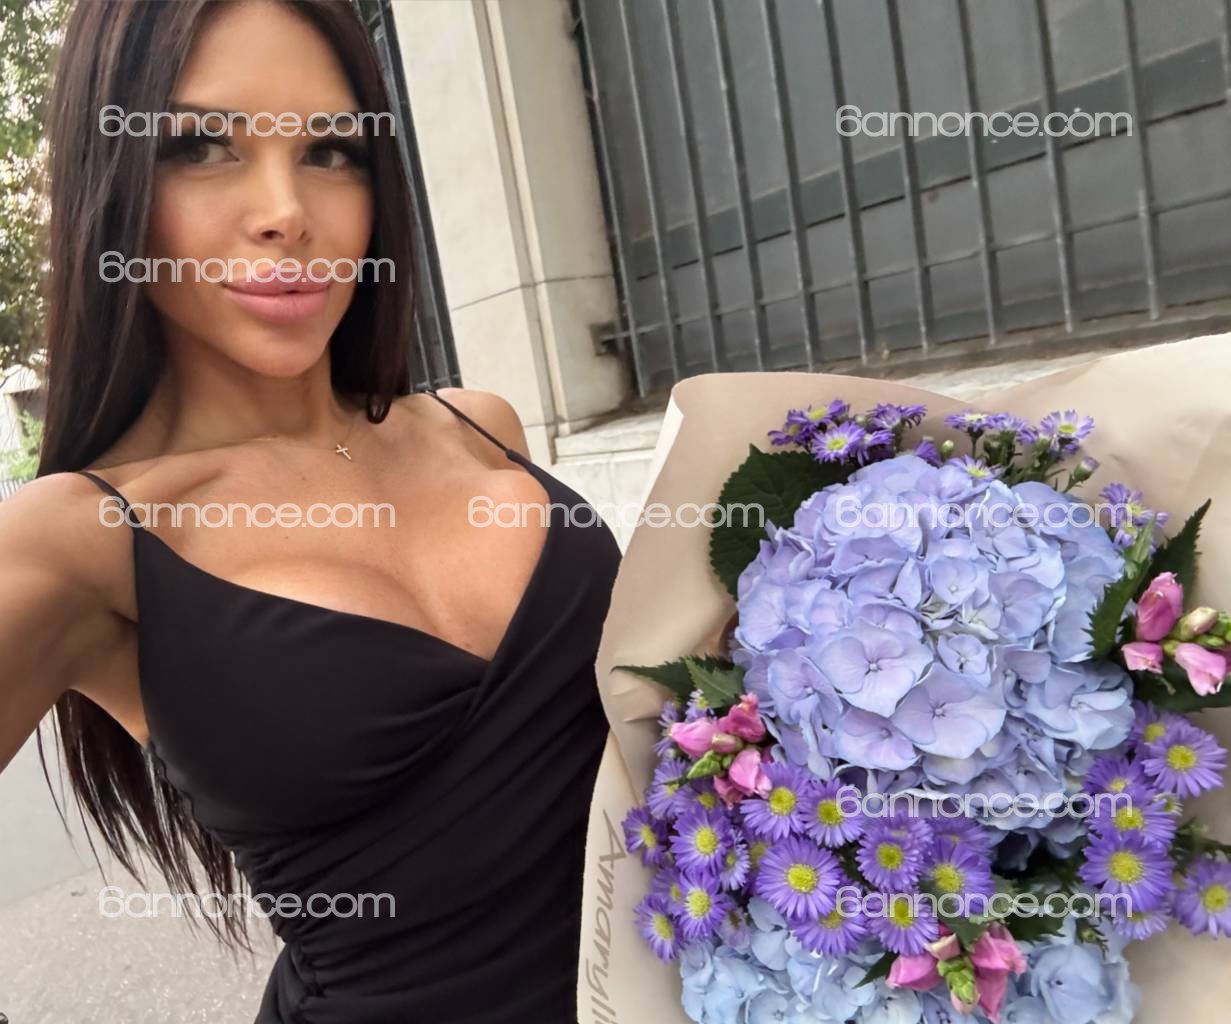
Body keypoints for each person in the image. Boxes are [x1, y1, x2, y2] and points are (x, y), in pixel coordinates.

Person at [0, 2, 622, 1021]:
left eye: (331, 150)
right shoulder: (77, 539)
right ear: (110, 182)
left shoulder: (479, 426)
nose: (286, 212)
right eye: (202, 146)